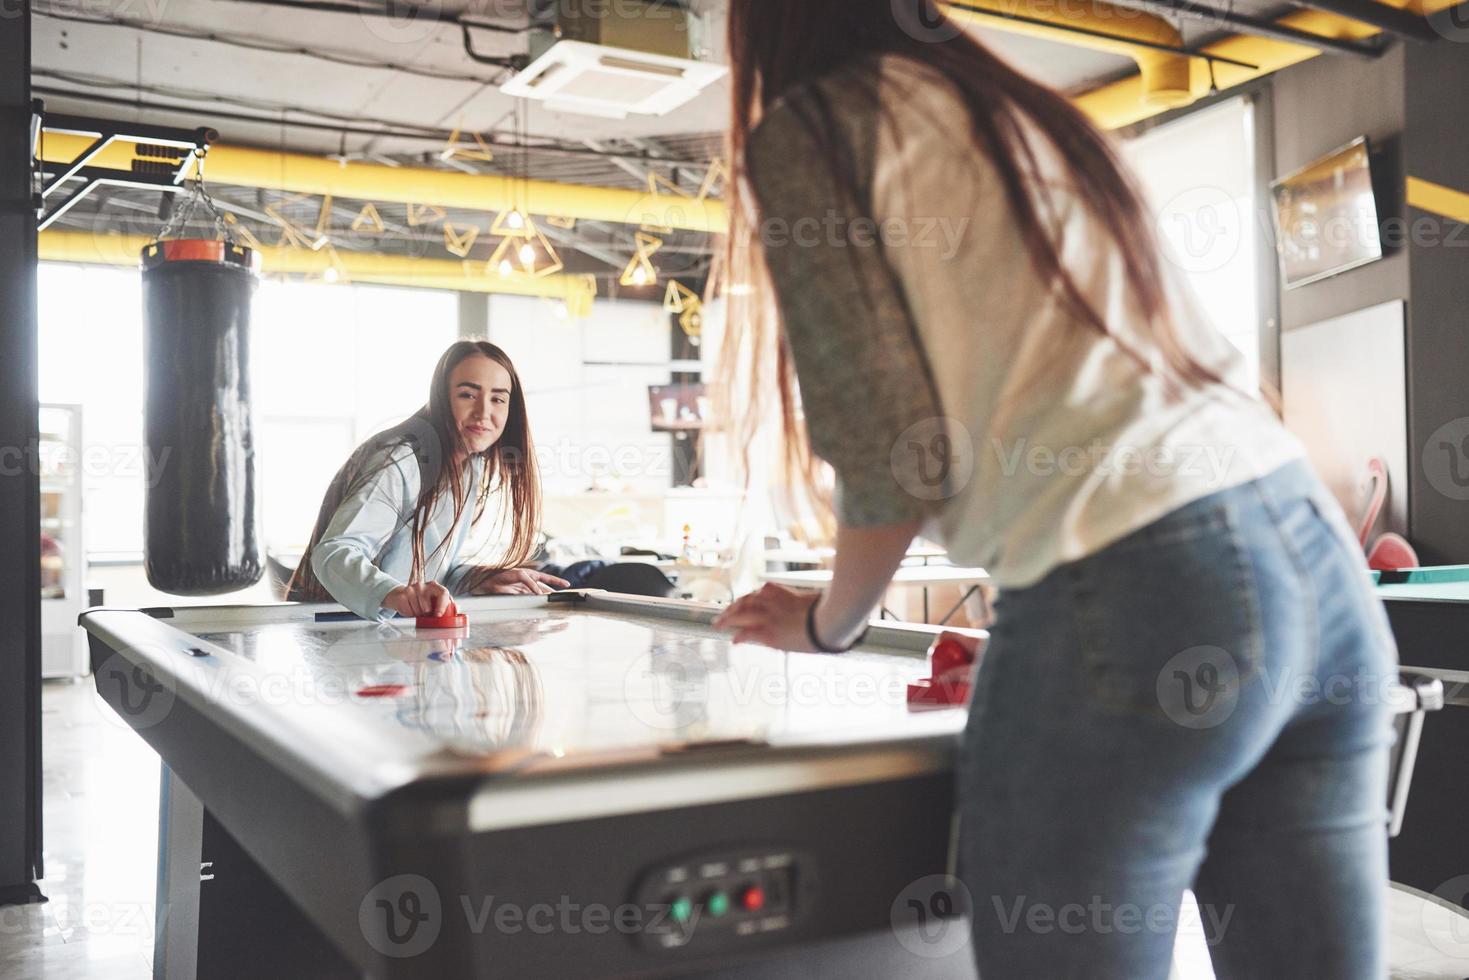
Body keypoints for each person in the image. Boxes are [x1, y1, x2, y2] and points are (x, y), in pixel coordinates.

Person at [710, 4, 1398, 977]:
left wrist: (831, 622)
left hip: (1133, 586)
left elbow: (892, 454)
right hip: (1314, 570)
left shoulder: (811, 129)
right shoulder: (1019, 110)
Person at [286, 341, 567, 620]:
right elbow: (334, 553)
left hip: (386, 638)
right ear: (441, 398)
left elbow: (422, 573)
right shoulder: (402, 459)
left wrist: (479, 579)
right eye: (468, 395)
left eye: (498, 399)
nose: (483, 412)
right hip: (333, 629)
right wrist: (394, 594)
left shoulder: (467, 468)